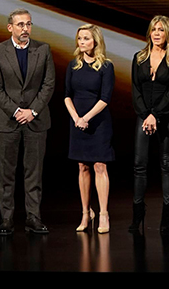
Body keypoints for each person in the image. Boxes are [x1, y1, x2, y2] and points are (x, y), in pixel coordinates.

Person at [0, 8, 56, 236]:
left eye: (28, 24)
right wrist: (17, 111)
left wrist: (32, 111)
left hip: (36, 120)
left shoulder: (43, 50)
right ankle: (6, 219)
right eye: (20, 25)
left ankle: (33, 218)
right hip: (7, 121)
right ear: (10, 27)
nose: (25, 28)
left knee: (33, 172)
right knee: (6, 173)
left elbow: (48, 84)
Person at [129, 15, 169, 233]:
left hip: (167, 115)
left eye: (161, 30)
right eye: (154, 29)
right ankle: (137, 214)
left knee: (166, 164)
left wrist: (156, 115)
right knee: (139, 165)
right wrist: (146, 115)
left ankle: (166, 216)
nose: (157, 33)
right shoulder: (139, 57)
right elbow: (135, 90)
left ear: (168, 33)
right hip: (144, 116)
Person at [63, 24, 115, 234]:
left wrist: (87, 117)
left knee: (100, 166)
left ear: (96, 41)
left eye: (86, 38)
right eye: (80, 39)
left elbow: (105, 98)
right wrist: (76, 118)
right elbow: (67, 95)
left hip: (98, 122)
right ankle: (86, 213)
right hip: (77, 122)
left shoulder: (106, 66)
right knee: (82, 166)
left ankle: (103, 213)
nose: (82, 42)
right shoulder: (73, 65)